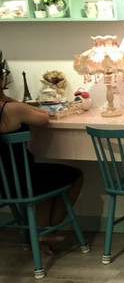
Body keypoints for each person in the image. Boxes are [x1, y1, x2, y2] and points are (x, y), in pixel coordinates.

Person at [0, 65, 83, 254]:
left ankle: (42, 233)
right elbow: (44, 117)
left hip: (3, 186)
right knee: (75, 176)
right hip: (23, 181)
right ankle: (46, 232)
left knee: (44, 179)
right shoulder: (12, 109)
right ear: (1, 81)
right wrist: (10, 100)